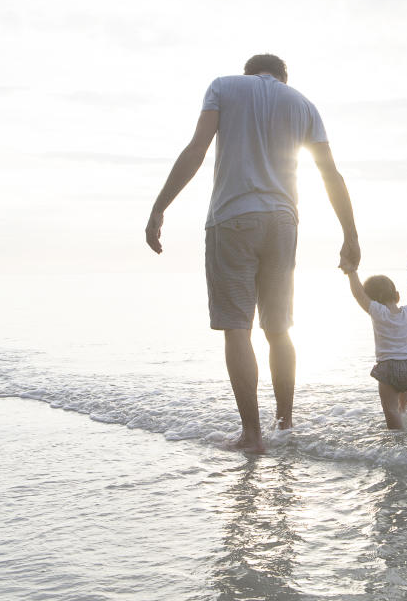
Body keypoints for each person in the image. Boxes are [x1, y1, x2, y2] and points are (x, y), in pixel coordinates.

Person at [145, 54, 360, 452]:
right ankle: (285, 424)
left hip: (232, 219)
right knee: (278, 329)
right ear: (282, 76)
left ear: (250, 72)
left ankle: (252, 435)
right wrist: (351, 234)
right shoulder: (303, 104)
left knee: (237, 327)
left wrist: (160, 207)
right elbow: (330, 173)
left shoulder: (224, 87)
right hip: (282, 222)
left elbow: (196, 149)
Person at [345, 270, 407, 429]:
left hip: (390, 368)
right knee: (402, 409)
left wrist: (351, 272)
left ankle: (398, 444)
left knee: (391, 411)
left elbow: (358, 294)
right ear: (397, 296)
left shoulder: (377, 311)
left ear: (372, 300)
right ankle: (405, 421)